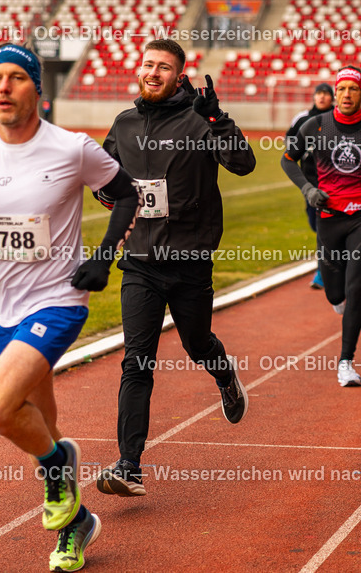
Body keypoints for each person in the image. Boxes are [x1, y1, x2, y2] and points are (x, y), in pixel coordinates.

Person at [0, 43, 140, 571]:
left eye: (16, 78)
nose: (3, 86)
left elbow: (128, 195)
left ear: (37, 92)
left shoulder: (72, 149)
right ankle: (75, 525)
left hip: (58, 299)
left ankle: (57, 463)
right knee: (37, 419)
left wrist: (103, 257)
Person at [94, 38, 255, 498]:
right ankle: (129, 466)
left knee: (196, 342)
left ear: (179, 75)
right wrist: (106, 195)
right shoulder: (124, 124)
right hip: (140, 263)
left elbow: (243, 163)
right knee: (136, 362)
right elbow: (106, 179)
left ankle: (224, 374)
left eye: (164, 67)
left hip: (189, 262)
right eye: (148, 64)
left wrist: (219, 121)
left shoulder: (199, 120)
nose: (153, 72)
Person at [282, 65, 361, 387]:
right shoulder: (314, 126)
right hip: (329, 218)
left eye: (353, 89)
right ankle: (338, 302)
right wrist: (307, 188)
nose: (347, 95)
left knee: (355, 289)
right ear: (336, 92)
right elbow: (288, 160)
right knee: (335, 293)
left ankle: (346, 362)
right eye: (342, 89)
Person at [287, 83, 334, 290]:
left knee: (324, 227)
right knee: (315, 225)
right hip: (309, 183)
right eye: (319, 93)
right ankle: (332, 261)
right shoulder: (302, 118)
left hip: (333, 183)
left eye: (326, 94)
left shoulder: (338, 117)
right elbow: (289, 142)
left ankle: (322, 273)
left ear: (332, 98)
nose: (322, 97)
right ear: (314, 96)